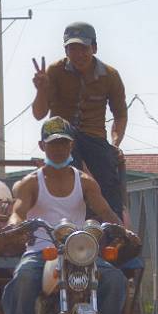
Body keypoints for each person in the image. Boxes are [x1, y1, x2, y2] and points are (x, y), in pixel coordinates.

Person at [1, 117, 127, 314]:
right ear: (42, 146)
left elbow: (104, 210)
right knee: (24, 277)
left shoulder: (85, 182)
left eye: (64, 143)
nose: (58, 149)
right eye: (53, 144)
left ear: (71, 146)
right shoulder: (31, 182)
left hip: (78, 251)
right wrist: (15, 224)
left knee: (115, 280)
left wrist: (121, 230)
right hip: (42, 252)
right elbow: (19, 210)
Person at [31, 21, 128, 221]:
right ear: (65, 50)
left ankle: (115, 232)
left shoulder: (110, 76)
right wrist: (41, 89)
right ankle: (66, 222)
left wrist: (115, 144)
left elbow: (120, 115)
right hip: (61, 136)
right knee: (69, 169)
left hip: (94, 137)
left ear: (94, 48)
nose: (78, 54)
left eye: (83, 48)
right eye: (72, 49)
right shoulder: (55, 71)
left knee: (109, 175)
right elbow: (39, 114)